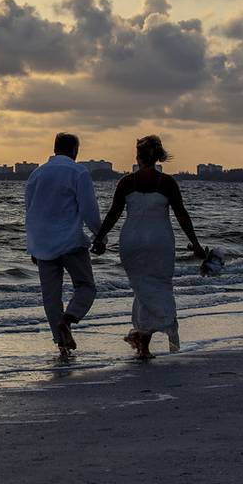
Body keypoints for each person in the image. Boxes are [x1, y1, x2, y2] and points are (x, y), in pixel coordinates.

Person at [92, 135, 205, 359]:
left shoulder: (126, 182)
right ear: (158, 157)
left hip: (131, 241)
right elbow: (182, 215)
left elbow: (113, 214)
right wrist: (196, 244)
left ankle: (141, 340)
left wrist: (100, 238)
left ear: (137, 156)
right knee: (158, 287)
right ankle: (151, 332)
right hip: (159, 241)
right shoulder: (167, 183)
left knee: (142, 290)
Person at [25, 132, 102, 359]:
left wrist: (32, 245)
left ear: (55, 148)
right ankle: (68, 320)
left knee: (51, 296)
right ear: (75, 151)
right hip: (70, 242)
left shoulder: (36, 174)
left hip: (42, 243)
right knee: (86, 286)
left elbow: (30, 211)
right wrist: (100, 236)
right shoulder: (78, 172)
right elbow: (89, 210)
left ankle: (62, 346)